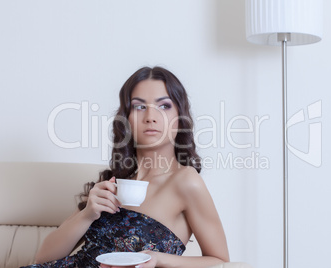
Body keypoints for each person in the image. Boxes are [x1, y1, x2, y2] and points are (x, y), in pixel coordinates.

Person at [22, 66, 229, 268]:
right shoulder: (112, 182)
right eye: (139, 106)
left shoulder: (186, 181)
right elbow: (43, 259)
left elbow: (220, 261)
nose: (150, 116)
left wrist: (158, 259)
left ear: (180, 118)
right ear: (126, 120)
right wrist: (87, 214)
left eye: (164, 106)